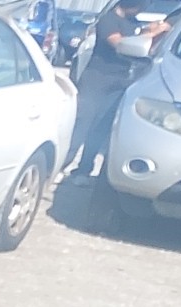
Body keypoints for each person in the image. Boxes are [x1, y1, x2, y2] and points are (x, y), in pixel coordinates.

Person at [65, 0, 172, 181]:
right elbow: (118, 43)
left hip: (120, 81)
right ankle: (63, 162)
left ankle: (84, 169)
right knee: (83, 123)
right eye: (140, 6)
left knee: (100, 127)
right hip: (97, 78)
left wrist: (150, 30)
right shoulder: (108, 20)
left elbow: (139, 39)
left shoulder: (132, 23)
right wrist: (154, 32)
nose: (142, 10)